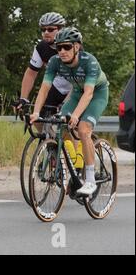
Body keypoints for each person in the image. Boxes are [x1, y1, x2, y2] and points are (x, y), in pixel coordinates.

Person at [30, 27, 109, 195]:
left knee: (83, 129)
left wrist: (75, 115)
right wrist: (37, 112)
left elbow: (89, 93)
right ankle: (75, 165)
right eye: (59, 48)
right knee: (61, 125)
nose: (62, 51)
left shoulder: (90, 61)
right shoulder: (54, 62)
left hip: (97, 94)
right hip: (77, 93)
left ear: (77, 47)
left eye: (66, 47)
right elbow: (44, 89)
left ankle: (90, 180)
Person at [14, 12, 72, 119]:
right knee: (36, 119)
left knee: (68, 126)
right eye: (43, 29)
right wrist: (23, 98)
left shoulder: (71, 46)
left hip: (75, 87)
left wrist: (66, 102)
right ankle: (49, 136)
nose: (46, 32)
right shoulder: (41, 48)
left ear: (60, 29)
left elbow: (81, 80)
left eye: (50, 29)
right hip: (57, 87)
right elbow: (31, 74)